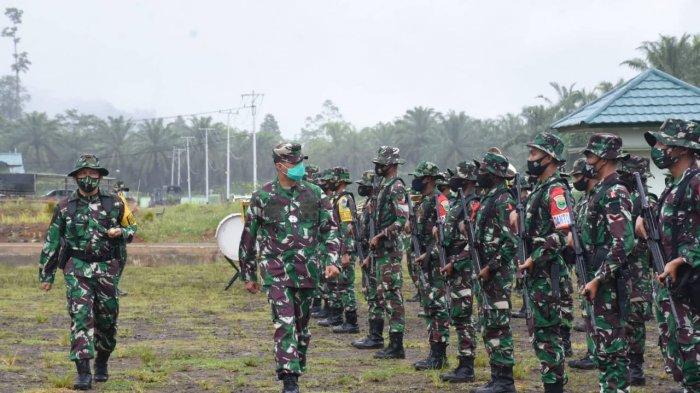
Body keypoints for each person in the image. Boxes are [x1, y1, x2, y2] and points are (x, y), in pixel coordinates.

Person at [238, 142, 341, 393]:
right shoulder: (263, 197)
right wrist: (248, 273)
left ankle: (296, 365)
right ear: (279, 166)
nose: (299, 167)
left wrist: (332, 260)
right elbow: (248, 237)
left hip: (308, 270)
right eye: (294, 163)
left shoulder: (316, 194)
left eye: (300, 162)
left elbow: (331, 229)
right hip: (276, 271)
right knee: (284, 323)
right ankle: (289, 380)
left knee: (302, 328)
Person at [39, 154, 136, 390]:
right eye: (82, 175)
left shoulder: (115, 203)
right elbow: (52, 241)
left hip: (107, 269)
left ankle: (102, 361)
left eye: (93, 175)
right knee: (80, 317)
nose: (88, 179)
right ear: (75, 178)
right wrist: (47, 274)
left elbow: (131, 229)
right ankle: (83, 372)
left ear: (100, 177)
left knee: (107, 321)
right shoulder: (64, 207)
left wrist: (119, 233)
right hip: (77, 269)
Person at [642, 119, 700, 393]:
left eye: (664, 143)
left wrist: (683, 259)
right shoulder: (673, 185)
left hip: (691, 283)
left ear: (683, 149)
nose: (659, 149)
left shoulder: (696, 181)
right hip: (673, 285)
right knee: (677, 343)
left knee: (693, 345)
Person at [580, 133, 634, 393]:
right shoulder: (601, 190)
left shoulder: (615, 192)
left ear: (603, 158)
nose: (588, 160)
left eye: (590, 155)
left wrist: (597, 278)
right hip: (598, 278)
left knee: (612, 348)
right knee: (602, 346)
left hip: (608, 283)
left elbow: (623, 243)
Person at [517, 132, 571, 393]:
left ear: (549, 157)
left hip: (548, 274)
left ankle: (555, 388)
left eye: (534, 154)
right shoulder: (540, 188)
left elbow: (563, 234)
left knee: (548, 336)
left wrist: (534, 258)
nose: (530, 159)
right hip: (537, 274)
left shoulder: (556, 190)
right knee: (540, 335)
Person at [471, 151, 518, 393]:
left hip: (497, 275)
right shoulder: (489, 198)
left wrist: (490, 267)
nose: (479, 174)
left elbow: (511, 242)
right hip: (487, 274)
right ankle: (496, 377)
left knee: (499, 326)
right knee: (489, 325)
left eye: (482, 171)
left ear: (494, 174)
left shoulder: (503, 201)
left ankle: (505, 382)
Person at [364, 146, 409, 359]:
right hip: (381, 251)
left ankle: (397, 344)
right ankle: (390, 341)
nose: (377, 166)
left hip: (390, 250)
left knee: (393, 296)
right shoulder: (383, 186)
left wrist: (381, 235)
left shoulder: (396, 187)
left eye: (381, 163)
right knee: (383, 295)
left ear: (391, 164)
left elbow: (402, 220)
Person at [439, 161, 480, 383]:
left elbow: (471, 242)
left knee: (463, 316)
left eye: (459, 176)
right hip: (454, 267)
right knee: (457, 315)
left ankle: (467, 366)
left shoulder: (472, 203)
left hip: (463, 268)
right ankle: (462, 363)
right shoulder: (458, 201)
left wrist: (454, 262)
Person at [618, 155, 656, 386]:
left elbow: (649, 221)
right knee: (624, 317)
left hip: (638, 269)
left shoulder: (645, 199)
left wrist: (643, 214)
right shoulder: (624, 197)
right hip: (623, 267)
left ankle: (636, 366)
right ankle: (626, 362)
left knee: (636, 319)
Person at [409, 161, 450, 370]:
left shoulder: (439, 201)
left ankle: (439, 355)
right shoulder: (423, 202)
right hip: (425, 264)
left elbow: (446, 236)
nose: (415, 180)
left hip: (435, 264)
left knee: (438, 308)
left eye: (420, 176)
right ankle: (433, 352)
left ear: (429, 179)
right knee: (429, 308)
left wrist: (428, 254)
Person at [566, 158, 598, 371]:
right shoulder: (584, 201)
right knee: (588, 312)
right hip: (583, 264)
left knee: (598, 313)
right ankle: (592, 351)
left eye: (578, 176)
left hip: (597, 266)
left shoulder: (601, 197)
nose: (576, 180)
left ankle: (598, 354)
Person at [351, 170, 387, 350]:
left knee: (375, 296)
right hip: (365, 253)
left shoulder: (377, 204)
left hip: (373, 255)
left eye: (364, 183)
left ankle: (376, 337)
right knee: (370, 295)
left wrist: (369, 257)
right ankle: (373, 335)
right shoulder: (368, 203)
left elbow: (375, 233)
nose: (361, 187)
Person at [329, 166, 360, 334]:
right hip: (341, 247)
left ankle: (352, 322)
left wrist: (346, 251)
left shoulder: (343, 200)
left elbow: (348, 227)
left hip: (345, 248)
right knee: (342, 284)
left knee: (346, 284)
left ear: (340, 181)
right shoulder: (339, 199)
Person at [112, 180, 136, 297]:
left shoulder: (122, 202)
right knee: (113, 264)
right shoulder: (110, 202)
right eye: (119, 190)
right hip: (111, 239)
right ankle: (111, 288)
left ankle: (114, 287)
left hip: (121, 239)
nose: (121, 192)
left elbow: (128, 221)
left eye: (122, 190)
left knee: (121, 262)